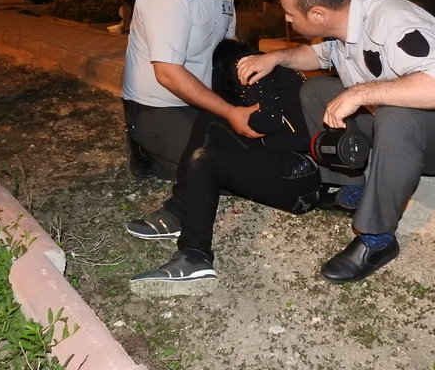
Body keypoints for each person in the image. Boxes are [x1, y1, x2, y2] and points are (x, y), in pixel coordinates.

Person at [236, 0, 435, 284]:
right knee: (317, 90)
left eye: (290, 12)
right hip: (395, 124)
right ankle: (352, 186)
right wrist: (275, 57)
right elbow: (315, 55)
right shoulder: (343, 21)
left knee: (395, 116)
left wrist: (359, 93)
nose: (285, 17)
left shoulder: (392, 21)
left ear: (317, 15)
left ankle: (378, 238)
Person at [126, 40, 323, 297]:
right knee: (212, 120)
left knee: (205, 156)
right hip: (292, 168)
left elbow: (267, 121)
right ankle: (180, 211)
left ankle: (194, 256)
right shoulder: (266, 68)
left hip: (302, 175)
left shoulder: (248, 70)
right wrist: (232, 112)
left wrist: (241, 109)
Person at [121, 0, 261, 181]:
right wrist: (230, 111)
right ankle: (145, 149)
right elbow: (167, 73)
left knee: (260, 144)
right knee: (227, 172)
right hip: (157, 107)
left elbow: (229, 44)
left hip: (202, 97)